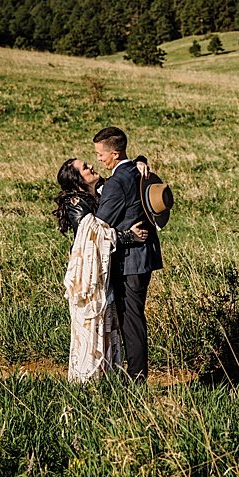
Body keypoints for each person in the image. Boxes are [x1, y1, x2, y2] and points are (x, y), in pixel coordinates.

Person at [54, 157, 149, 382]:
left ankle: (105, 377)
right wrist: (129, 237)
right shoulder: (76, 202)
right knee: (90, 322)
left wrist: (139, 161)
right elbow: (92, 235)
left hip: (100, 269)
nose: (91, 167)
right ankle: (87, 380)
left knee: (106, 321)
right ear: (77, 180)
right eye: (85, 168)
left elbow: (123, 172)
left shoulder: (97, 192)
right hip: (88, 275)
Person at [91, 126, 162, 382]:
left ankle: (136, 377)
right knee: (134, 316)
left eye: (101, 154)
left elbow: (99, 224)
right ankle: (134, 372)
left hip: (129, 261)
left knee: (130, 319)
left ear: (115, 153)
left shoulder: (117, 183)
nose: (99, 159)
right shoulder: (141, 171)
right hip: (145, 257)